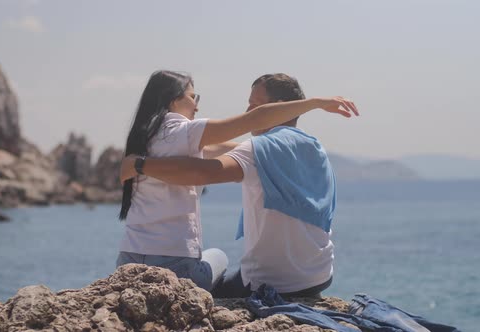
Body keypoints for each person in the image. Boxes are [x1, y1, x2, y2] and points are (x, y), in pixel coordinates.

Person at [118, 71, 357, 292]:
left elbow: (204, 170)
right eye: (193, 97)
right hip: (320, 277)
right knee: (217, 260)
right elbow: (222, 148)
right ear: (173, 100)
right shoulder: (315, 149)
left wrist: (140, 164)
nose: (248, 111)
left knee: (219, 261)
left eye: (254, 106)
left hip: (269, 281)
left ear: (279, 109)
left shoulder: (145, 134)